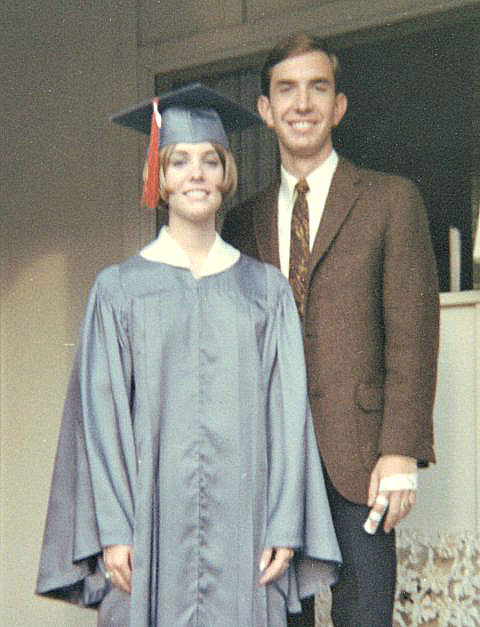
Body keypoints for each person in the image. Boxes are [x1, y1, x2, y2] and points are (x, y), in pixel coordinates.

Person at [35, 83, 341, 627]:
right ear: (159, 178)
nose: (196, 174)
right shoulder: (119, 291)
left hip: (246, 531)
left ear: (227, 175)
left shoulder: (265, 293)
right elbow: (99, 424)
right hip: (149, 530)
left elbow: (288, 416)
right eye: (179, 162)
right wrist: (113, 531)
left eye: (209, 161)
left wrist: (285, 527)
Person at [222, 34, 440, 627]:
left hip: (362, 460)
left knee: (364, 616)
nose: (302, 104)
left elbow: (413, 335)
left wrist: (400, 452)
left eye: (318, 88)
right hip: (272, 465)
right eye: (286, 90)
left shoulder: (392, 200)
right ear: (265, 110)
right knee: (275, 618)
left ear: (338, 106)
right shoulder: (240, 223)